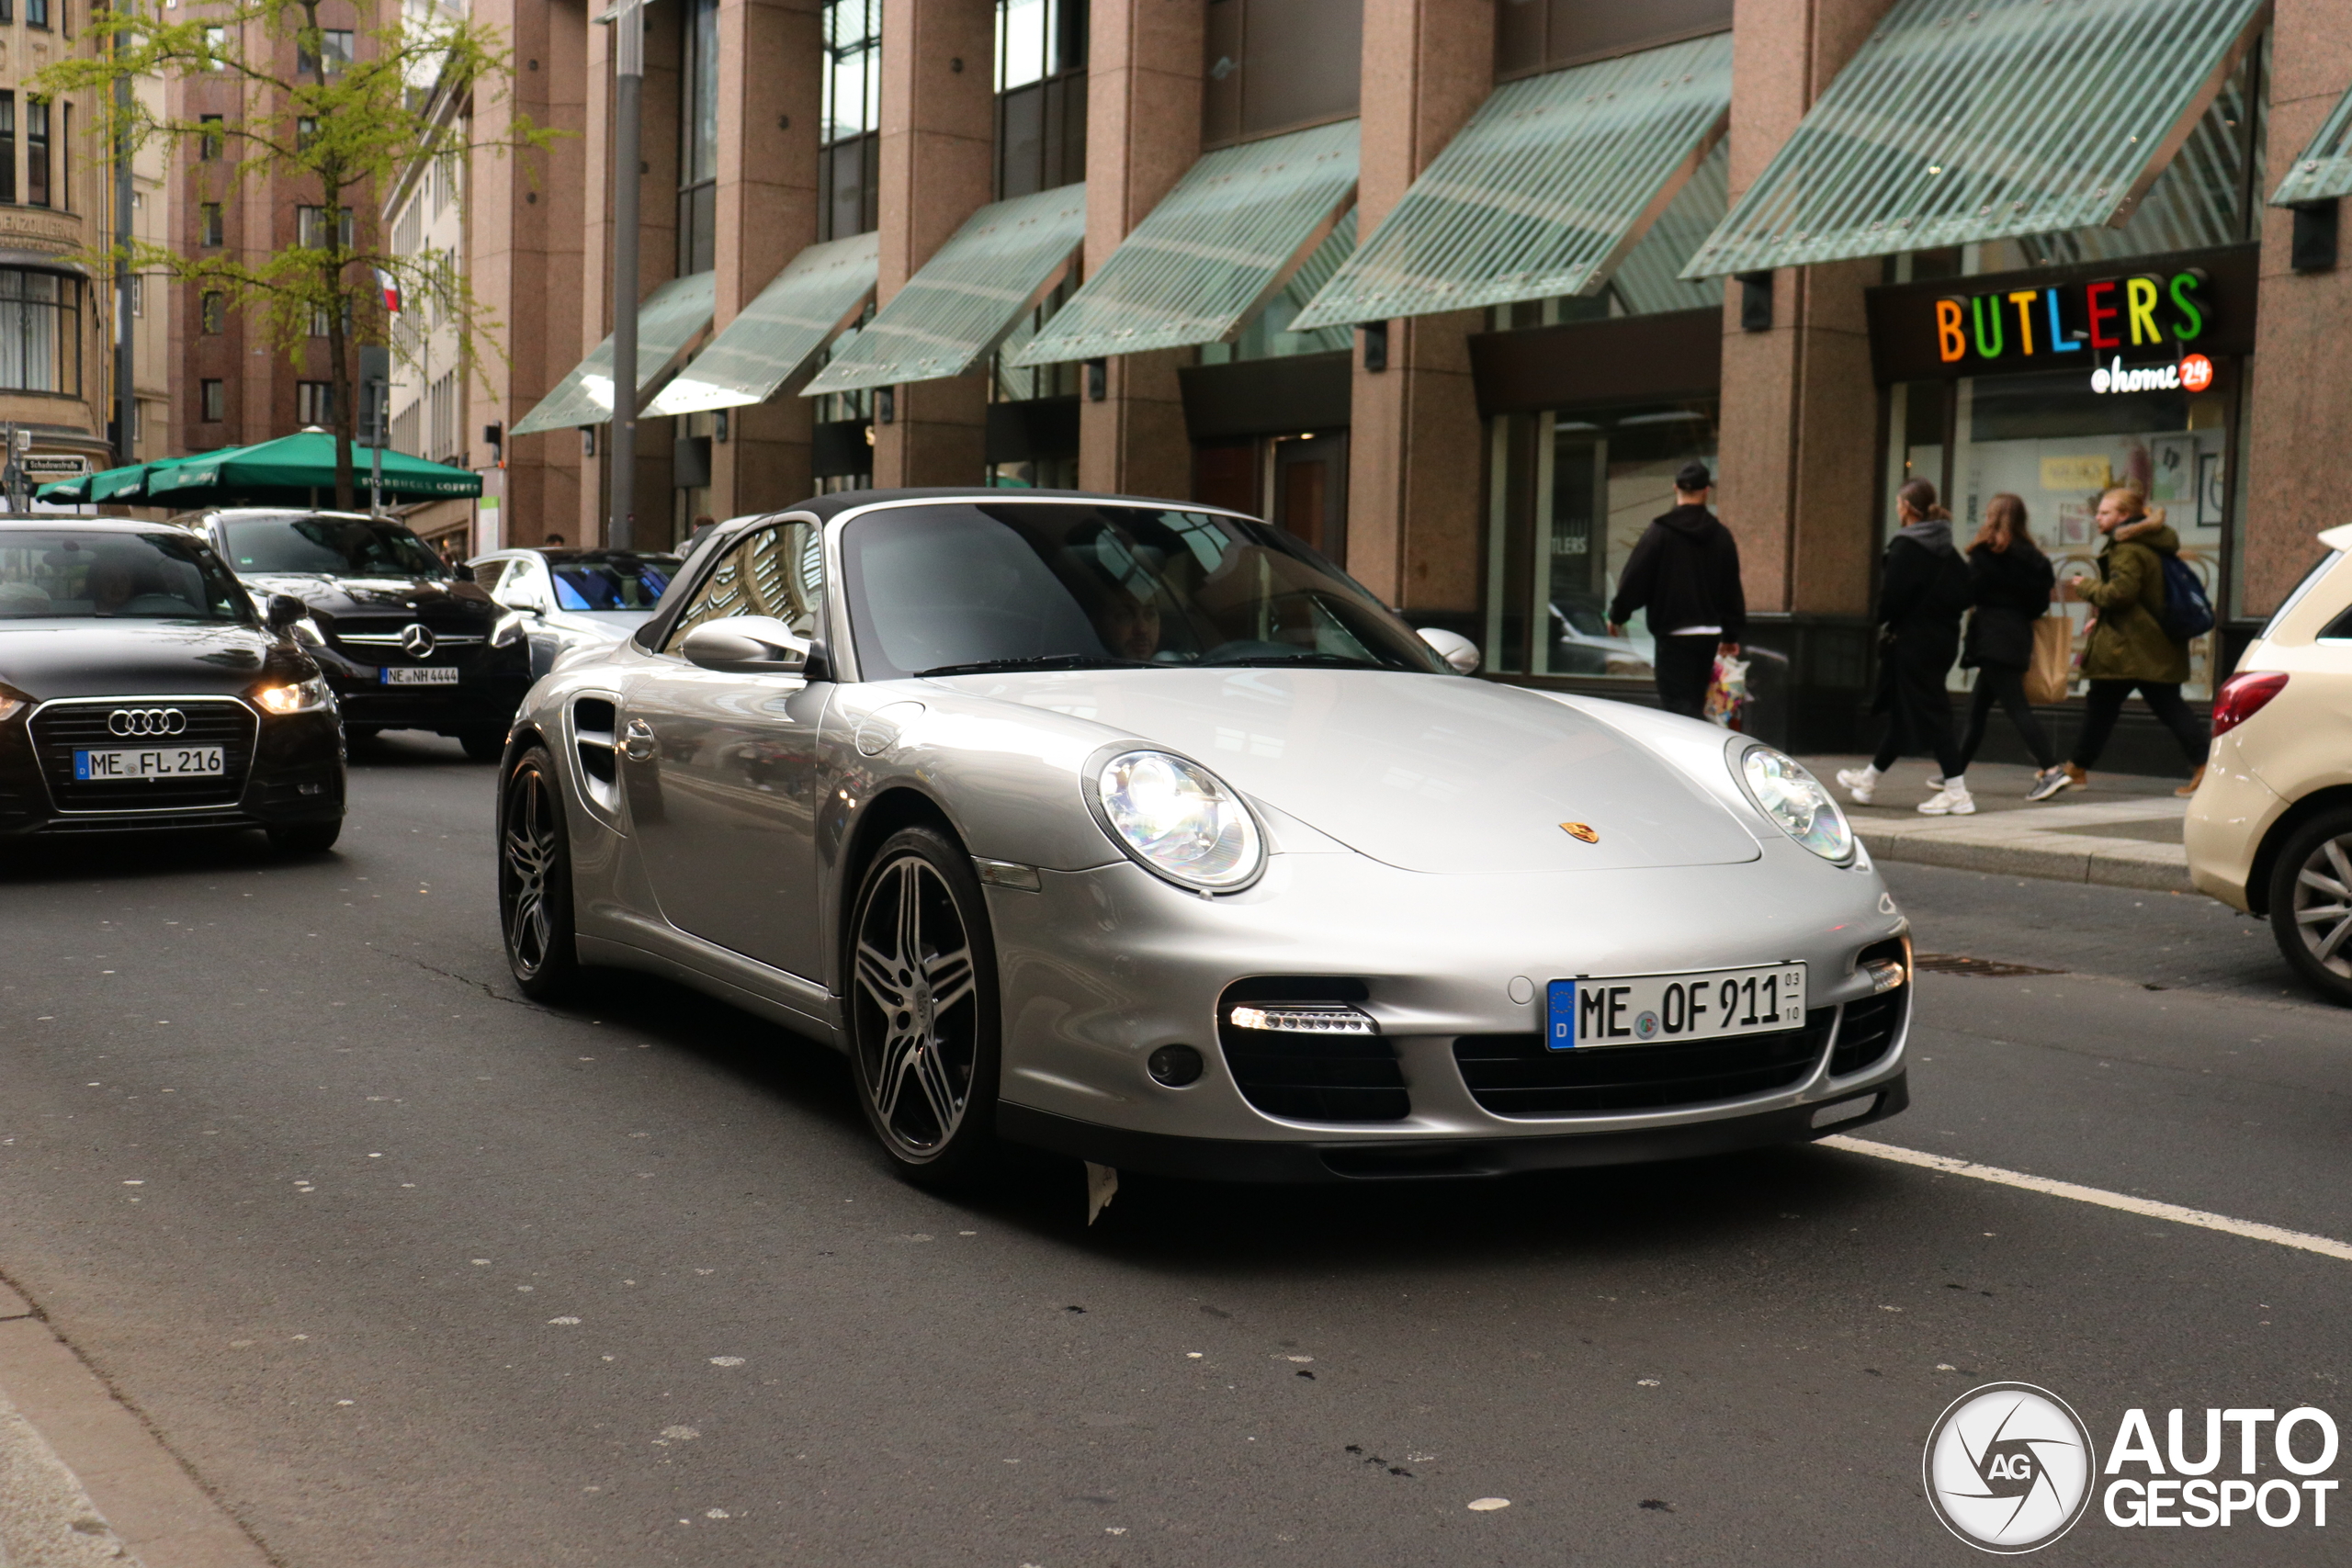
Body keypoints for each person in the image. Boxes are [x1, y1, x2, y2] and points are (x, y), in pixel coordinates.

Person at [2030, 485, 2209, 801]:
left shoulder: (2128, 547)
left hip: (2134, 648)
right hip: (2140, 644)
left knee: (2160, 706)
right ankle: (2078, 766)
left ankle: (2206, 765)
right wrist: (2103, 619)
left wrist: (2086, 587)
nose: (2097, 517)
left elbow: (2121, 594)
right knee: (2105, 706)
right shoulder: (2148, 543)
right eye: (2098, 512)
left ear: (2124, 516)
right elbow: (2141, 597)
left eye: (2105, 512)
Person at [1839, 478, 1974, 814]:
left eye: (1899, 504)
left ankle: (1957, 792)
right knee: (1904, 714)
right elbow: (1967, 591)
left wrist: (1880, 618)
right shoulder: (1946, 546)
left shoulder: (1906, 546)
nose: (1897, 509)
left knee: (1933, 712)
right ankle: (1868, 779)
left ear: (1907, 509)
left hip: (1914, 642)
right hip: (1943, 639)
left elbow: (1891, 601)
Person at [1605, 461, 1745, 720]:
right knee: (1694, 701)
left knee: (1677, 707)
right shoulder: (1721, 535)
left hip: (1673, 634)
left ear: (1674, 488)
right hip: (1708, 636)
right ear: (1706, 491)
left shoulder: (1660, 532)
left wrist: (1617, 615)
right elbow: (1731, 587)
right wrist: (1730, 634)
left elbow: (1636, 578)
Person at [1952, 493, 2064, 792]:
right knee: (1977, 708)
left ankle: (2052, 768)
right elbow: (2039, 605)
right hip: (2016, 634)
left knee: (2017, 708)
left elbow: (1967, 595)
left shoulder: (1984, 553)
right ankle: (1954, 774)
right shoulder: (2035, 558)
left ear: (1991, 516)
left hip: (1991, 636)